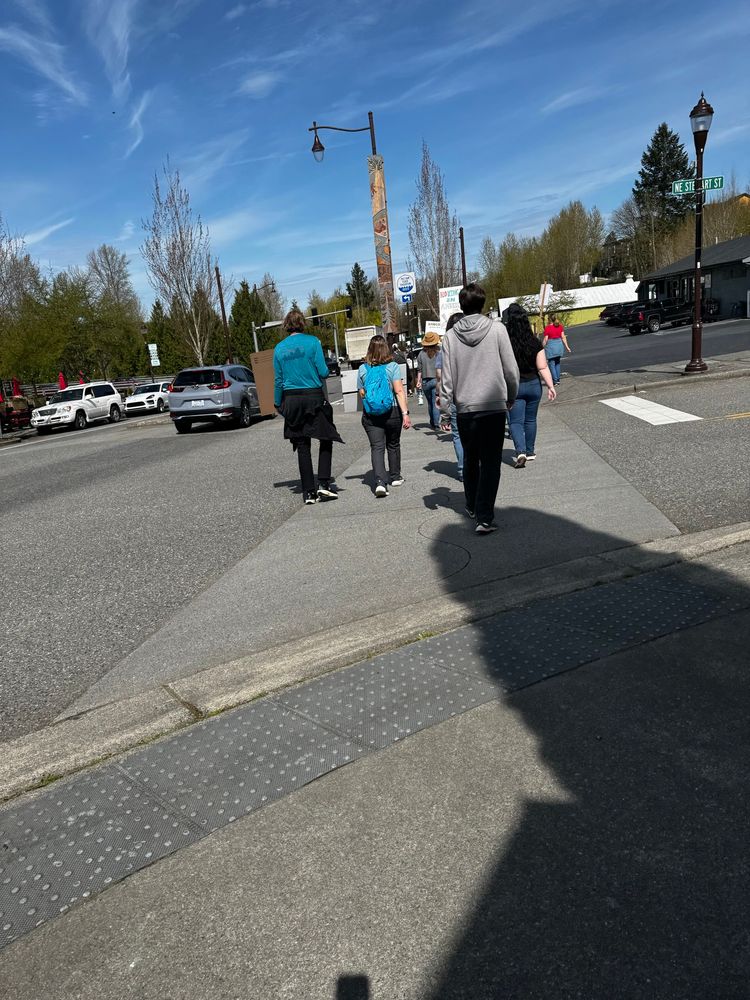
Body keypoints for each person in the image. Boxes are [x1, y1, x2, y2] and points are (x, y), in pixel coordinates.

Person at [439, 283, 519, 535]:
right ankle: (484, 516)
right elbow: (511, 369)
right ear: (483, 304)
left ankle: (472, 505)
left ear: (461, 306)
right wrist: (511, 394)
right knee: (491, 462)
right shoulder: (497, 329)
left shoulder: (450, 337)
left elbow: (447, 379)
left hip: (465, 408)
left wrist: (444, 410)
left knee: (471, 459)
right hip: (493, 405)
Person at [273, 307, 343, 505]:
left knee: (302, 444)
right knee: (326, 436)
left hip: (292, 399)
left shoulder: (279, 348)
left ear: (287, 325)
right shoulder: (313, 342)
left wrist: (277, 402)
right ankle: (324, 483)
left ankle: (308, 492)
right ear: (302, 323)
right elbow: (323, 372)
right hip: (313, 396)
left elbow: (278, 380)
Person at [503, 303, 557, 468]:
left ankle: (520, 451)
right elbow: (542, 367)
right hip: (534, 385)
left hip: (515, 386)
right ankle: (530, 451)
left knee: (515, 422)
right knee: (531, 419)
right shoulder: (534, 342)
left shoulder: (505, 343)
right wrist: (551, 386)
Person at [358, 335, 411, 497]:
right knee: (393, 444)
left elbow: (362, 393)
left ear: (369, 349)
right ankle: (395, 477)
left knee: (377, 447)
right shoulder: (392, 366)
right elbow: (399, 391)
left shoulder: (362, 369)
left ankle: (380, 482)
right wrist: (405, 413)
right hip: (392, 412)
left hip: (372, 414)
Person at [436, 312, 465, 482]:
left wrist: (444, 411)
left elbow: (442, 377)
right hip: (477, 396)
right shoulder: (475, 343)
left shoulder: (446, 348)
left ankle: (462, 470)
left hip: (454, 396)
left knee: (458, 435)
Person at [416, 331, 441, 429]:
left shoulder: (421, 354)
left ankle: (432, 421)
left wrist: (418, 381)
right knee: (436, 402)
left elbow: (419, 370)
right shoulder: (439, 351)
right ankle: (436, 423)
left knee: (430, 403)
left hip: (425, 382)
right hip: (436, 379)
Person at [542, 315, 571, 386]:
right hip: (559, 346)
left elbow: (545, 339)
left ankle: (555, 381)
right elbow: (563, 337)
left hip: (551, 347)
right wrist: (567, 347)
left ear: (549, 320)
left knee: (551, 364)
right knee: (557, 363)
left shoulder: (547, 328)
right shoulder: (560, 326)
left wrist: (541, 347)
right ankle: (558, 380)